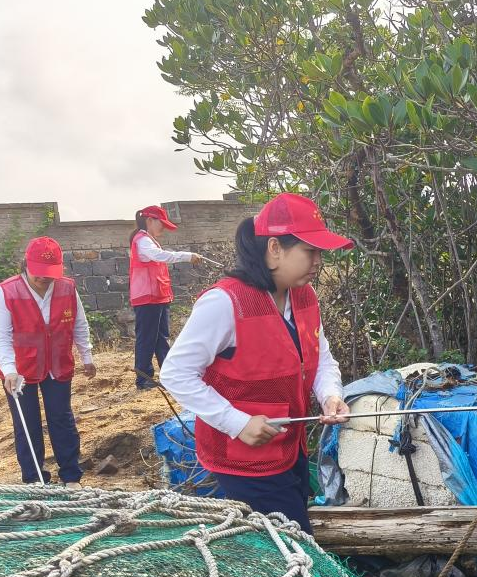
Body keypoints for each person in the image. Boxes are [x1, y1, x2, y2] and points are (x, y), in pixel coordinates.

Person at [160, 193, 352, 531]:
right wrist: (237, 422)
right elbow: (175, 373)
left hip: (289, 449)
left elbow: (320, 357)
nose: (318, 261)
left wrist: (330, 395)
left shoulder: (304, 296)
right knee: (291, 541)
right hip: (244, 461)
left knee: (290, 532)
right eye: (310, 251)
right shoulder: (226, 303)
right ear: (275, 249)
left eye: (320, 252)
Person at [0, 236, 96, 484]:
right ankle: (35, 480)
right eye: (38, 272)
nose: (44, 278)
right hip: (20, 368)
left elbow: (79, 323)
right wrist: (9, 369)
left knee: (61, 418)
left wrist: (87, 355)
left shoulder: (67, 288)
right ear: (26, 264)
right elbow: (0, 334)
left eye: (49, 272)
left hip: (58, 364)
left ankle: (71, 476)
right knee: (27, 423)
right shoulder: (7, 291)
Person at [129, 204, 201, 390]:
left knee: (162, 338)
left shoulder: (149, 240)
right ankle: (144, 378)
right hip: (147, 297)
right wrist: (187, 256)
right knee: (147, 338)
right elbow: (161, 256)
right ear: (150, 220)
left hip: (158, 296)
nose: (163, 228)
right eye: (161, 224)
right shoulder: (142, 241)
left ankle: (169, 374)